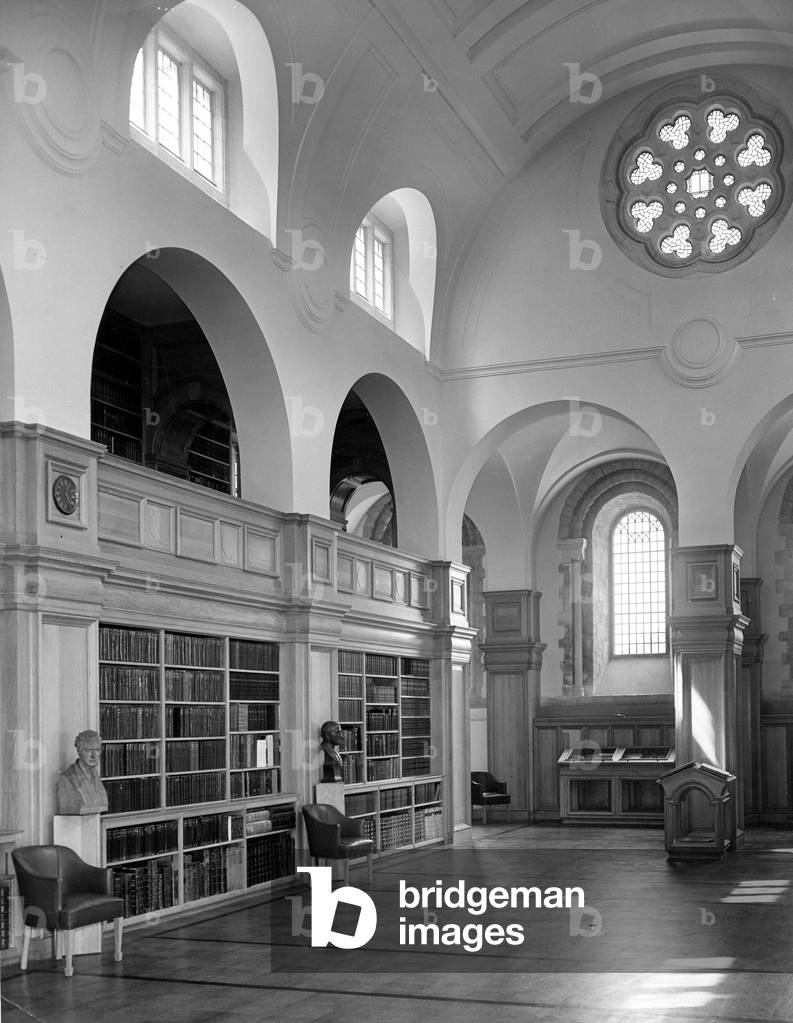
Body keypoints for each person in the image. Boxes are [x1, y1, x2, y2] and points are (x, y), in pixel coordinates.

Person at [57, 730, 109, 815]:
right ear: (79, 751)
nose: (93, 755)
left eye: (97, 750)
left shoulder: (96, 777)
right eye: (88, 750)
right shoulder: (67, 779)